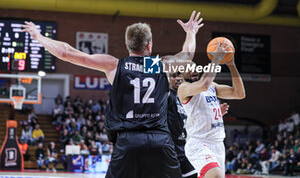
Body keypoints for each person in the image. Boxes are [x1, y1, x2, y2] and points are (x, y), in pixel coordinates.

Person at [22, 10, 203, 178]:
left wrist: (39, 36)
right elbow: (187, 56)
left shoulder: (115, 65)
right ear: (149, 45)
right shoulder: (159, 65)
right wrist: (191, 32)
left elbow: (66, 52)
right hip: (160, 140)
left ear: (128, 45)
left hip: (128, 141)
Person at [178, 40, 245, 178]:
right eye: (188, 69)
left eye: (195, 67)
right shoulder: (184, 88)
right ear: (181, 75)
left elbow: (239, 93)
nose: (193, 70)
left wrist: (231, 64)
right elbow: (204, 84)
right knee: (215, 175)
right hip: (199, 143)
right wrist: (216, 59)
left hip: (218, 144)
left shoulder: (212, 86)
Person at [167, 72, 197, 178]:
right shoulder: (168, 94)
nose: (178, 79)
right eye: (174, 76)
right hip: (170, 150)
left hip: (185, 148)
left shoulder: (186, 99)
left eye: (180, 76)